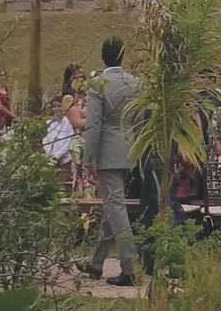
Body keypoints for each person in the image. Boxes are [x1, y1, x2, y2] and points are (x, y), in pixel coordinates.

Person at [79, 37, 139, 287]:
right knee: (111, 206)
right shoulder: (135, 82)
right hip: (130, 147)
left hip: (107, 152)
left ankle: (129, 266)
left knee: (115, 208)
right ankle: (96, 263)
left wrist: (88, 159)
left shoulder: (99, 84)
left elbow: (94, 125)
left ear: (103, 57)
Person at [44, 95, 75, 169]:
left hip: (65, 161)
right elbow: (45, 140)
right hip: (50, 160)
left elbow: (69, 142)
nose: (56, 109)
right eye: (54, 106)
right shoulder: (48, 123)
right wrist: (50, 155)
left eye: (59, 106)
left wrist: (57, 155)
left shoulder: (69, 123)